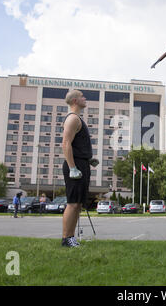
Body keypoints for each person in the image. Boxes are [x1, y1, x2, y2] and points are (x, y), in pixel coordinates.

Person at [61, 89, 99, 247]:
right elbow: (66, 143)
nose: (85, 99)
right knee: (72, 203)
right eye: (82, 96)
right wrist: (72, 167)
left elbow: (76, 145)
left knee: (78, 203)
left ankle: (71, 238)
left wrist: (88, 159)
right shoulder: (72, 119)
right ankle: (66, 238)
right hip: (74, 165)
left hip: (81, 163)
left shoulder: (78, 119)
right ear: (75, 101)